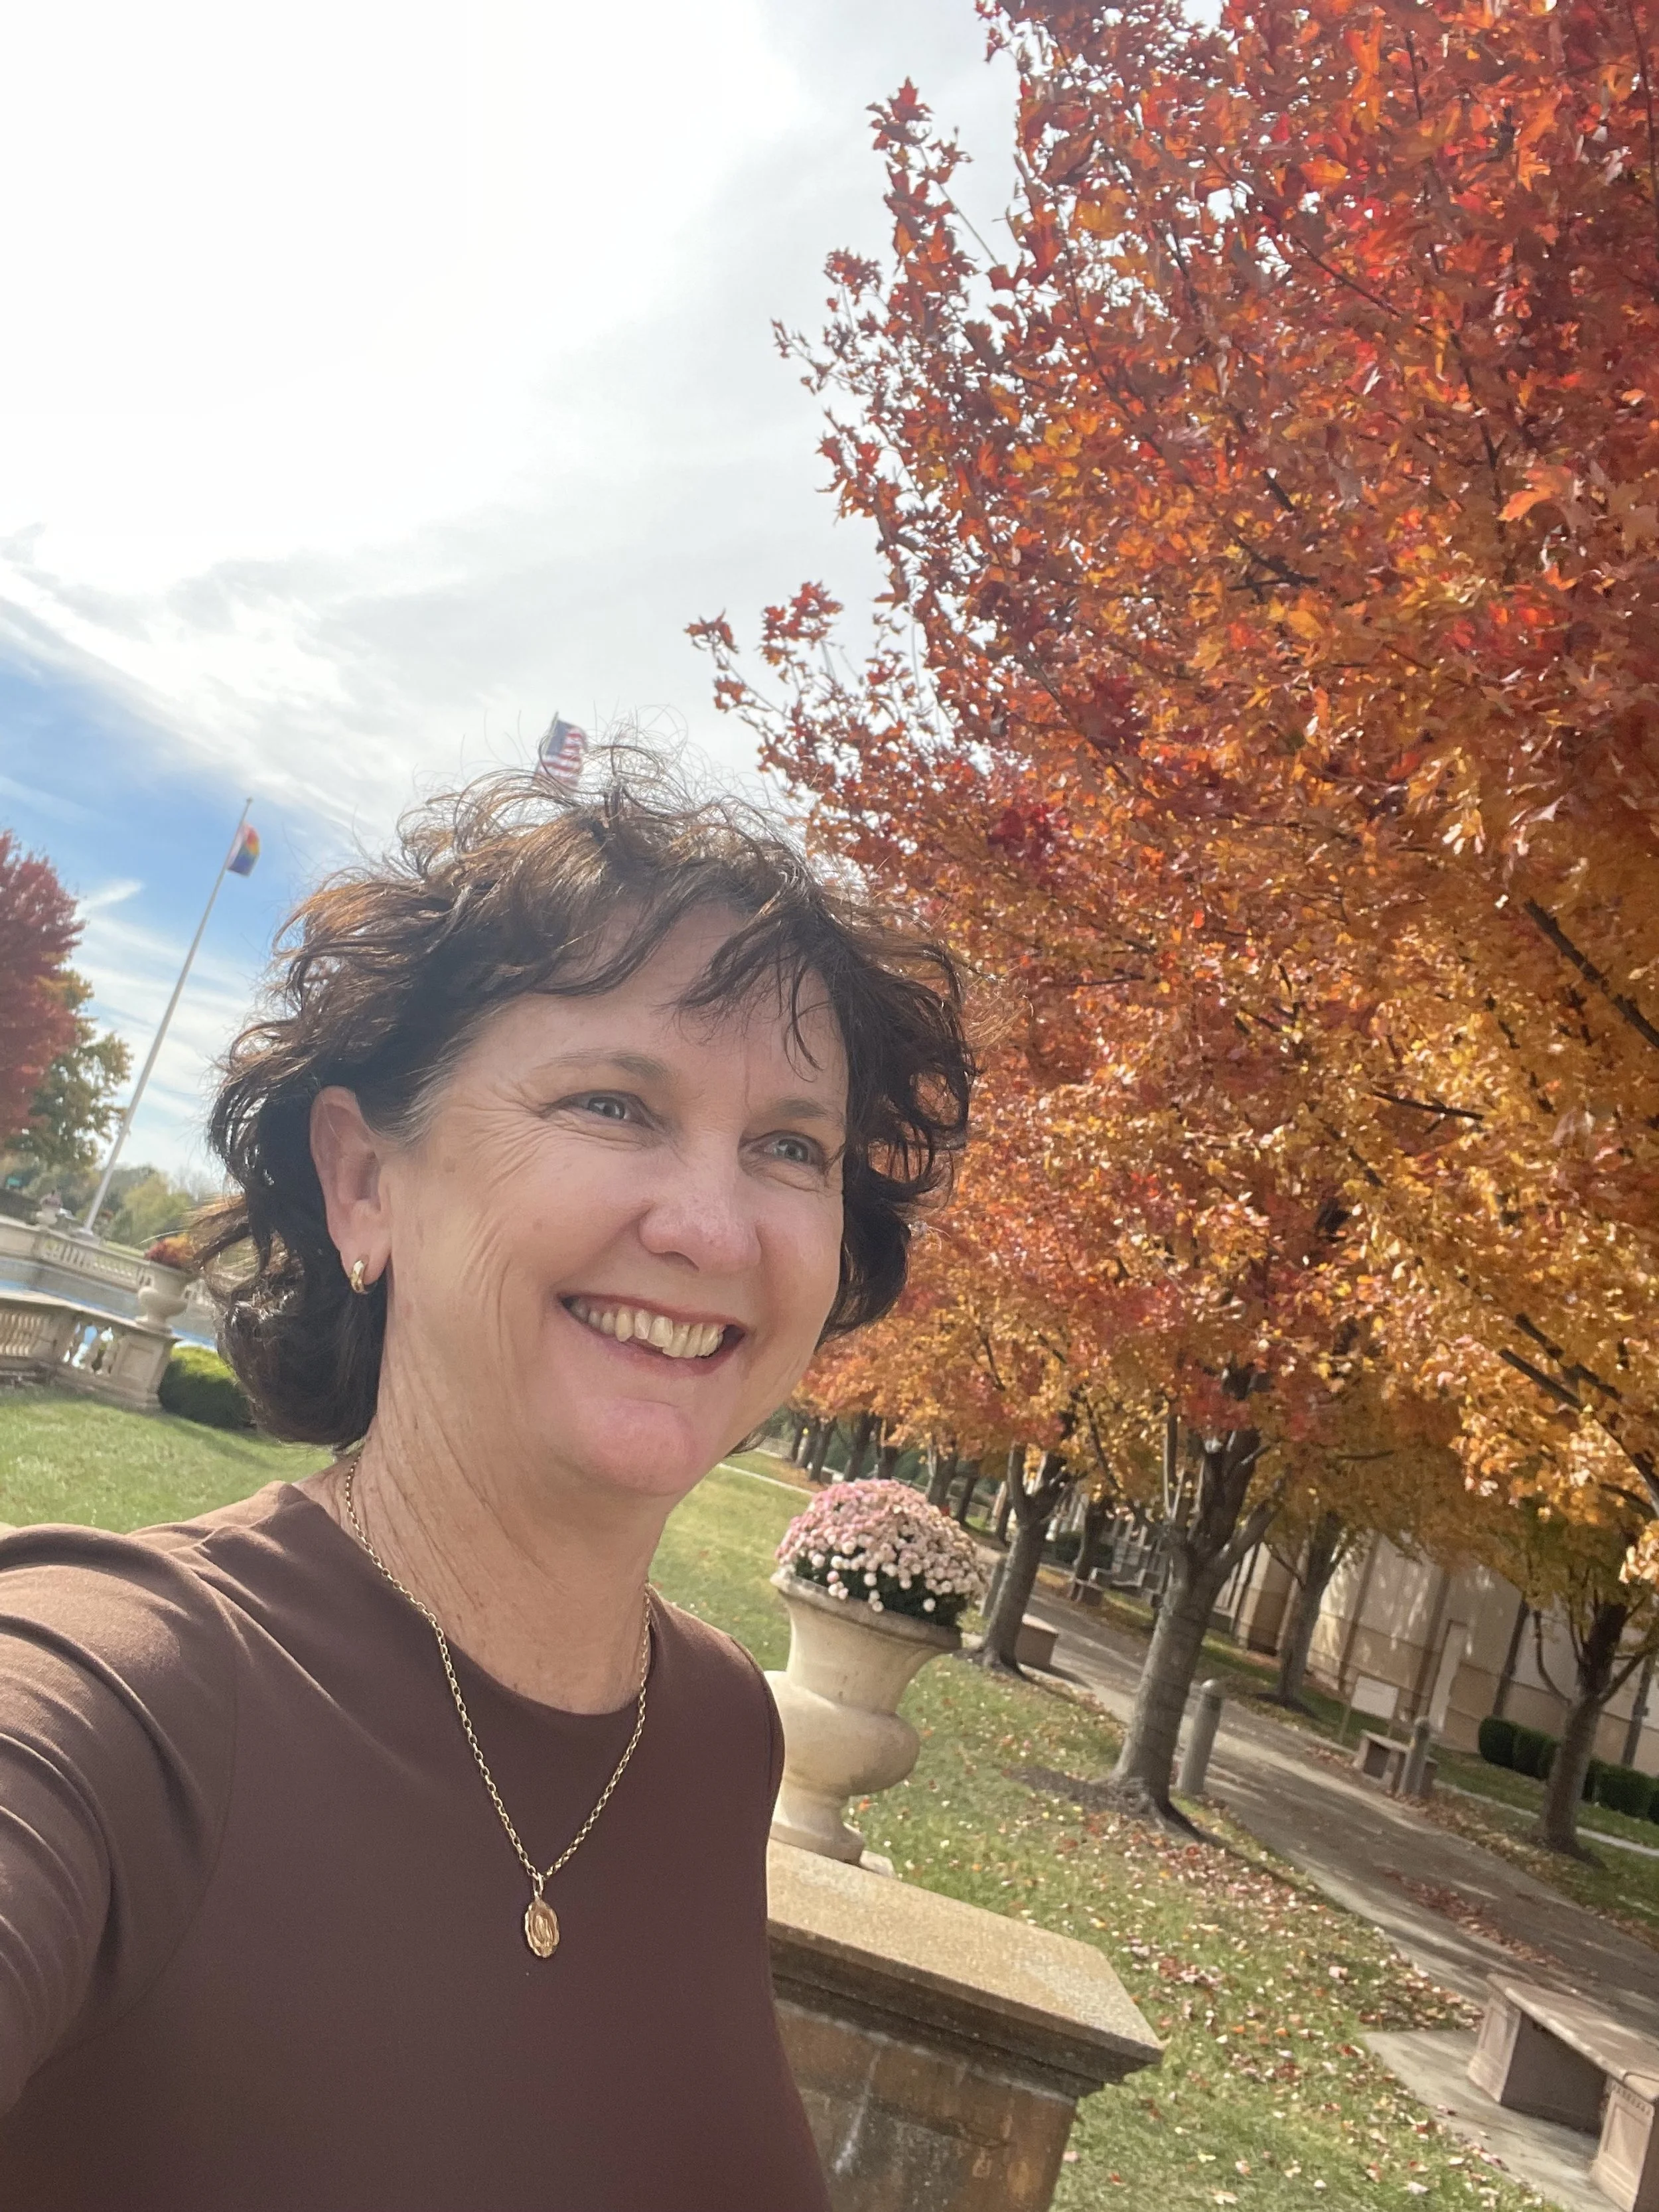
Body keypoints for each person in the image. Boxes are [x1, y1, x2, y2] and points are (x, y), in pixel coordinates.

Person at [0, 765, 973, 2210]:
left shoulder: (711, 1734)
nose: (711, 1226)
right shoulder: (123, 1692)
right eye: (611, 1102)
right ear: (362, 1184)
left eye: (787, 1144)